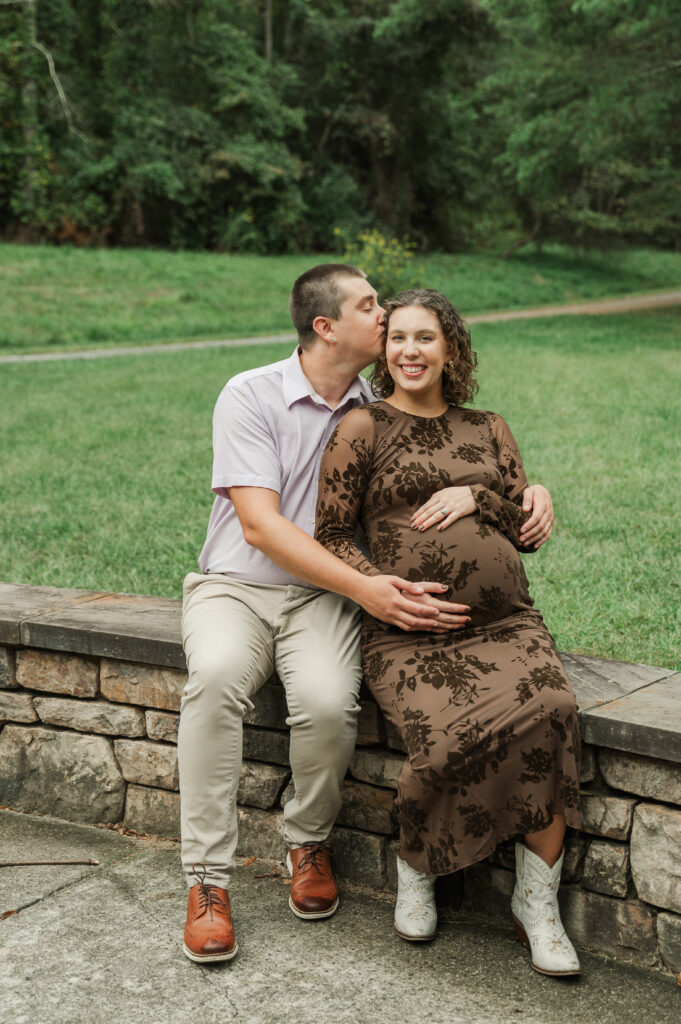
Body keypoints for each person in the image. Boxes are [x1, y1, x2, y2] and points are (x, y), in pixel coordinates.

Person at [179, 265, 555, 965]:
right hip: (239, 585)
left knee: (326, 704)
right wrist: (372, 588)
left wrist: (526, 489)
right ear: (327, 327)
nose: (385, 317)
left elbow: (456, 444)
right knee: (215, 677)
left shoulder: (370, 398)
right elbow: (260, 527)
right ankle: (207, 881)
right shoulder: (251, 394)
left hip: (325, 597)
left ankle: (306, 846)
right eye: (371, 305)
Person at [315, 288, 582, 977]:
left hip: (505, 624)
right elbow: (331, 535)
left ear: (450, 349)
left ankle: (536, 905)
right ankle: (418, 869)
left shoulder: (489, 427)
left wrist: (480, 496)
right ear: (384, 350)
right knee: (440, 740)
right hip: (407, 632)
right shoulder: (361, 429)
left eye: (425, 338)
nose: (409, 350)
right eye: (397, 337)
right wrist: (382, 593)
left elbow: (523, 532)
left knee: (553, 711)